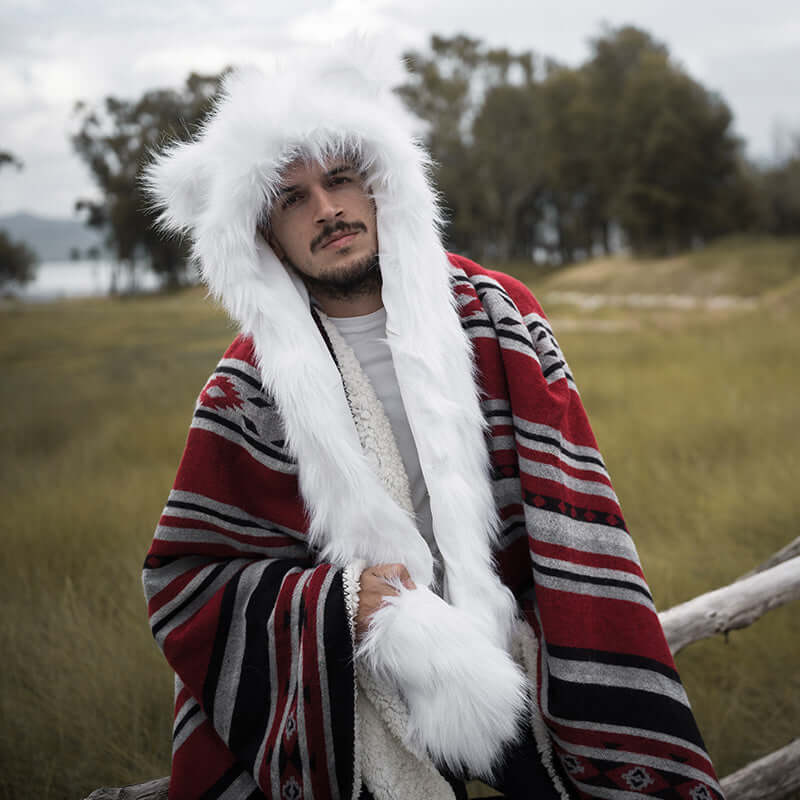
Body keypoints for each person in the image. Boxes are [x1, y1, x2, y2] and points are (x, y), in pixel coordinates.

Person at [142, 40, 722, 800]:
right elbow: (187, 578)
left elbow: (573, 496)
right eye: (291, 199)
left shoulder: (497, 316)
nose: (327, 209)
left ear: (381, 185)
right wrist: (341, 606)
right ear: (262, 237)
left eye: (340, 178)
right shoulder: (245, 389)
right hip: (366, 683)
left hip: (518, 649)